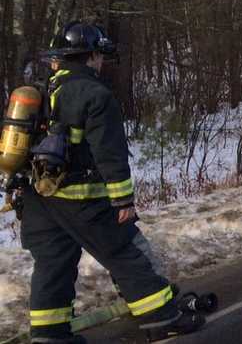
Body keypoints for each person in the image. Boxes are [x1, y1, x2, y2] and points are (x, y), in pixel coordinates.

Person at [18, 22, 205, 343]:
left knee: (52, 265)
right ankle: (161, 319)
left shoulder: (42, 90)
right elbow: (109, 153)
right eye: (99, 56)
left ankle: (50, 336)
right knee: (122, 252)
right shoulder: (95, 94)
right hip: (81, 198)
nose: (101, 62)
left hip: (38, 199)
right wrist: (122, 202)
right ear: (91, 56)